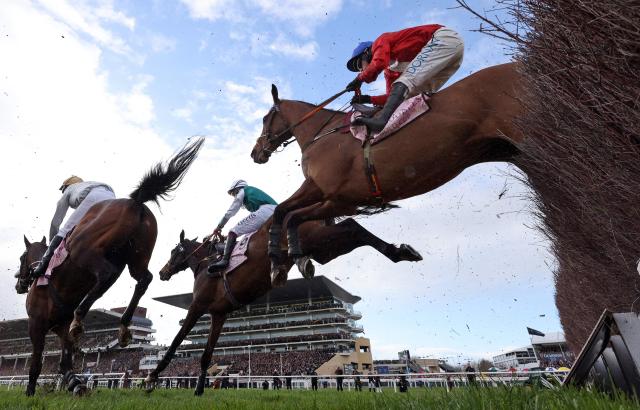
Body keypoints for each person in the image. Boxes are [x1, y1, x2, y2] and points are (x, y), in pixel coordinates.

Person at [346, 24, 464, 133]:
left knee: (405, 81)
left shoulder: (381, 41)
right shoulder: (390, 71)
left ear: (367, 52)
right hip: (452, 55)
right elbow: (391, 97)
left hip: (443, 38)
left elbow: (378, 63)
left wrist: (359, 79)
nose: (361, 70)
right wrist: (368, 99)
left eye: (358, 65)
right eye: (359, 70)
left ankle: (381, 121)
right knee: (412, 95)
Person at [31, 176, 115, 278]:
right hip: (112, 198)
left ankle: (42, 266)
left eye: (63, 189)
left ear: (67, 186)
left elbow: (55, 223)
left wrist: (52, 244)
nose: (63, 192)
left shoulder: (69, 190)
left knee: (64, 230)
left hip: (93, 197)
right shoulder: (90, 184)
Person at [206, 180, 277, 274]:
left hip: (266, 211)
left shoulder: (242, 191)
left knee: (233, 231)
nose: (234, 196)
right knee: (248, 236)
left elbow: (231, 211)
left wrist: (219, 226)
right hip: (274, 211)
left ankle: (224, 260)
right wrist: (227, 238)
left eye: (233, 193)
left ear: (237, 188)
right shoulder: (250, 192)